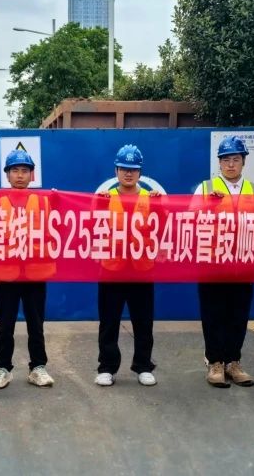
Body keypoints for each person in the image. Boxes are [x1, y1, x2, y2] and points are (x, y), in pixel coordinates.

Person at [193, 136, 254, 388]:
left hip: (243, 262)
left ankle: (233, 362)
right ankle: (215, 362)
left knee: (238, 314)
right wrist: (207, 205)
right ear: (219, 162)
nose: (230, 164)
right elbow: (189, 221)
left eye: (235, 159)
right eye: (226, 159)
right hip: (212, 262)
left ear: (243, 162)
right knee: (213, 313)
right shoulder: (206, 188)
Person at [0, 149, 55, 389]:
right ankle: (3, 369)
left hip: (35, 273)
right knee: (6, 325)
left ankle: (38, 367)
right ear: (7, 174)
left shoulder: (45, 201)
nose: (19, 175)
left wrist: (59, 199)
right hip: (6, 274)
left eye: (24, 170)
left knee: (36, 324)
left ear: (31, 175)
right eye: (14, 170)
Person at [95, 145, 159, 387]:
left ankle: (143, 366)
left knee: (144, 322)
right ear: (116, 170)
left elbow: (164, 229)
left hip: (142, 270)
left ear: (140, 172)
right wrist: (96, 205)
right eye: (124, 168)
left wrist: (161, 206)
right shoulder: (104, 198)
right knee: (108, 322)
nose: (128, 173)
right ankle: (106, 367)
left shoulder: (152, 199)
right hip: (111, 269)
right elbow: (90, 227)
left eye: (133, 169)